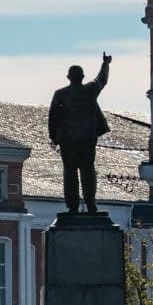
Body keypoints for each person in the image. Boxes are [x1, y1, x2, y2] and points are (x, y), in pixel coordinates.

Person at [47, 53, 112, 214]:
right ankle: (91, 205)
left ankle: (72, 207)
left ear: (68, 77)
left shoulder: (60, 94)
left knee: (70, 173)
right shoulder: (90, 90)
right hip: (87, 138)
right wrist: (105, 64)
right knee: (88, 171)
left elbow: (53, 116)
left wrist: (53, 136)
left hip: (68, 140)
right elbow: (101, 80)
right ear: (82, 77)